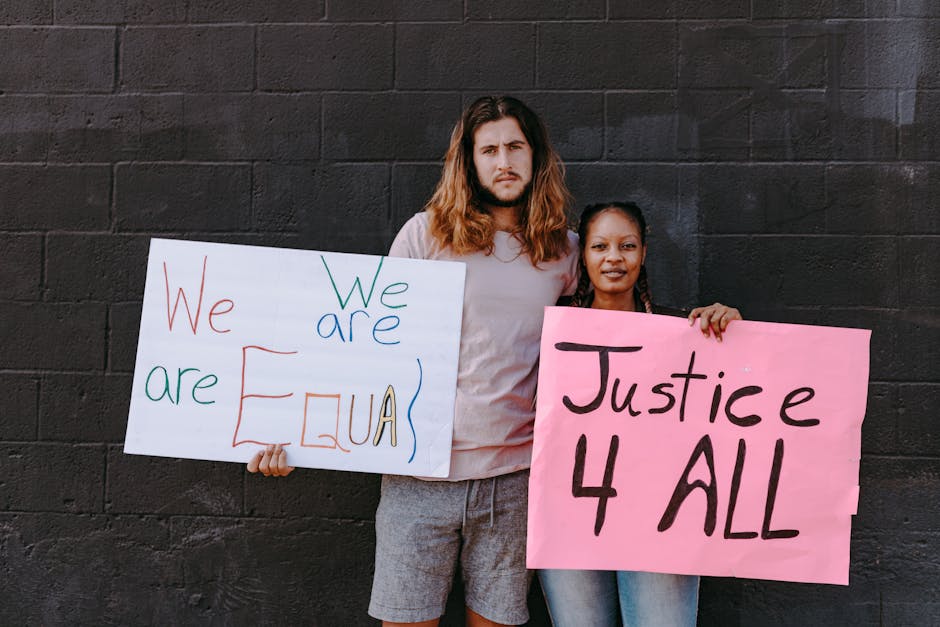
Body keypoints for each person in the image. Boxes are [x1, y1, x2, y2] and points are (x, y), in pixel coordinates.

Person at [249, 95, 579, 627]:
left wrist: (705, 322)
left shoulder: (562, 251)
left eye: (516, 147)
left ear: (536, 156)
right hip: (417, 476)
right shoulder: (426, 236)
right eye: (489, 149)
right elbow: (362, 346)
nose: (504, 161)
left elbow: (623, 325)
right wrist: (284, 429)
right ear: (469, 162)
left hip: (513, 478)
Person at [538, 200, 741, 627]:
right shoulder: (551, 334)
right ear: (583, 256)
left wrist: (732, 333)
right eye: (600, 247)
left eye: (626, 245)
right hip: (572, 518)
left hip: (661, 522)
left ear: (643, 253)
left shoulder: (682, 333)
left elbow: (738, 399)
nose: (614, 258)